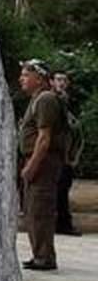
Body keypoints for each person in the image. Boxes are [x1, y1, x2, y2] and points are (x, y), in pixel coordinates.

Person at [19, 59, 67, 271]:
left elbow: (44, 138)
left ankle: (45, 257)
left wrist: (32, 166)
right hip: (37, 159)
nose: (21, 79)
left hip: (43, 162)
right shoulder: (36, 99)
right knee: (32, 209)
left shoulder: (45, 99)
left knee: (40, 209)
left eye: (26, 75)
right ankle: (39, 253)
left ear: (39, 78)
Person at [52, 71, 83, 236]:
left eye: (64, 80)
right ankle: (61, 223)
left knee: (63, 190)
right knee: (57, 190)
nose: (61, 83)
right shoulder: (50, 100)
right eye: (58, 79)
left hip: (67, 156)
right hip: (55, 155)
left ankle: (63, 223)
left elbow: (76, 131)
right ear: (51, 82)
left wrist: (74, 156)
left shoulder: (68, 102)